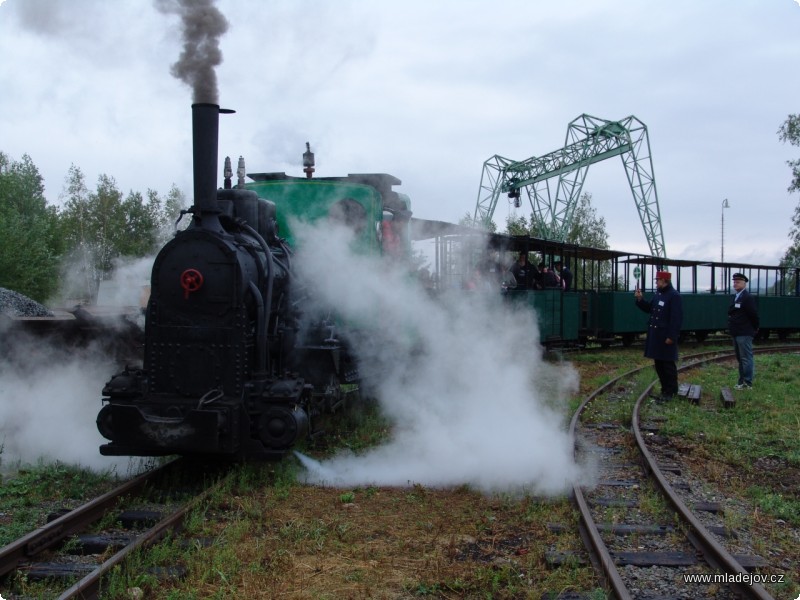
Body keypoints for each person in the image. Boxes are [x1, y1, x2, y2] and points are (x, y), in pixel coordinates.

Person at [634, 270, 683, 401]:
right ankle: (664, 391)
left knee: (668, 366)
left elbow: (676, 319)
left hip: (665, 336)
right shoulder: (658, 295)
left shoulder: (674, 296)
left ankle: (671, 392)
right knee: (659, 365)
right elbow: (650, 308)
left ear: (664, 281)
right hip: (656, 336)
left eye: (657, 280)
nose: (656, 282)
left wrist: (672, 336)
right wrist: (640, 299)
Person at [728, 272, 759, 389]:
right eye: (734, 282)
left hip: (744, 332)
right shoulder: (736, 296)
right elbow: (730, 311)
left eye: (738, 282)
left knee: (746, 358)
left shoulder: (747, 297)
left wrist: (755, 328)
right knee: (740, 358)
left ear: (744, 283)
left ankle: (747, 382)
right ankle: (741, 382)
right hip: (736, 332)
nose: (735, 284)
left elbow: (753, 315)